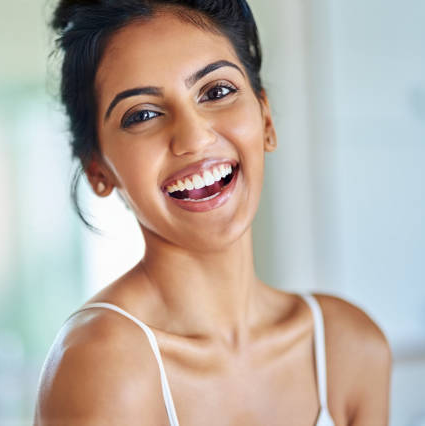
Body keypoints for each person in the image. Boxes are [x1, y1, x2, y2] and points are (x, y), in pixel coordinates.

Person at [34, 1, 392, 424]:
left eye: (217, 91)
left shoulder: (347, 346)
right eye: (143, 115)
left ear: (266, 119)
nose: (193, 138)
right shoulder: (103, 364)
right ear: (98, 170)